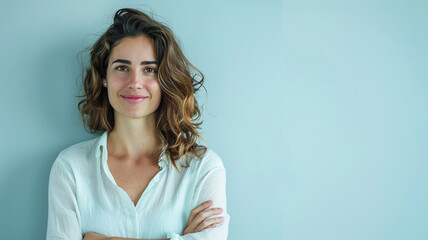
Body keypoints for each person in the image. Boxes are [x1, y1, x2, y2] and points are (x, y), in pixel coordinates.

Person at [46, 8, 229, 240]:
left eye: (149, 70)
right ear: (104, 78)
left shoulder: (203, 168)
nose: (135, 82)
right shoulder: (70, 169)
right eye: (122, 68)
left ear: (165, 80)